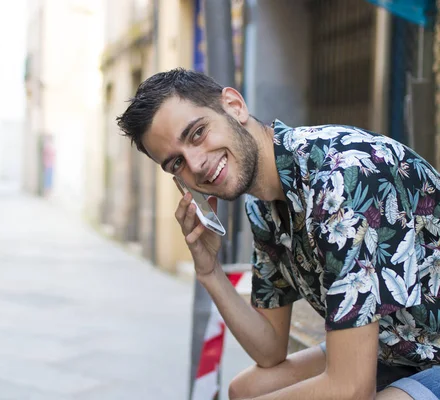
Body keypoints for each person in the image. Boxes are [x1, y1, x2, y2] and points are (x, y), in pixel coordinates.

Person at [116, 68, 440, 399]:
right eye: (176, 164)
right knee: (245, 390)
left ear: (234, 105)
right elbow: (270, 349)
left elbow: (351, 388)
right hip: (398, 349)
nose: (196, 165)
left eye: (197, 133)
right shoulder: (263, 207)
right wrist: (209, 271)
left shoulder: (341, 176)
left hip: (427, 353)